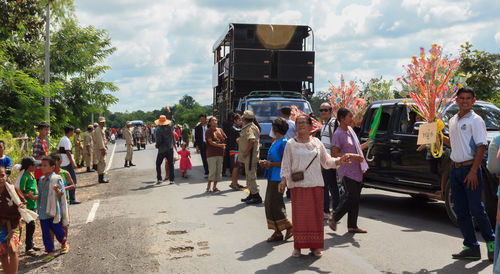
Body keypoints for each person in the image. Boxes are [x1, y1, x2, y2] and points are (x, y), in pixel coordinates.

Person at [280, 114, 350, 257]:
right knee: (300, 218)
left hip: (316, 185)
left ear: (310, 126)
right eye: (298, 123)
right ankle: (298, 247)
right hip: (298, 187)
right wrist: (283, 181)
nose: (301, 126)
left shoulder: (317, 143)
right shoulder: (290, 144)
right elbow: (286, 165)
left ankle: (315, 247)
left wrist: (340, 161)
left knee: (315, 218)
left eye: (303, 123)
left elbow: (327, 161)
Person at [442, 87, 495, 261]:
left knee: (476, 209)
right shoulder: (452, 120)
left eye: (468, 98)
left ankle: (492, 244)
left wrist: (473, 171)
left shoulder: (476, 120)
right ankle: (471, 247)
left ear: (473, 101)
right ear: (456, 100)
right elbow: (454, 143)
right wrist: (437, 137)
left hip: (469, 170)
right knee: (460, 210)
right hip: (455, 170)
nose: (464, 101)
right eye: (461, 98)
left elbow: (481, 146)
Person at [329, 108, 371, 234]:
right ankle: (334, 217)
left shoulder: (350, 131)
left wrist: (366, 144)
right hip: (346, 169)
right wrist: (352, 156)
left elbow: (356, 148)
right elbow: (334, 153)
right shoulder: (338, 134)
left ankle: (352, 226)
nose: (352, 119)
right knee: (351, 196)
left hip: (357, 169)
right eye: (350, 116)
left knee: (356, 198)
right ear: (342, 118)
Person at [259, 118, 293, 242]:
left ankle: (289, 225)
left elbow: (286, 162)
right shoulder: (276, 141)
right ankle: (277, 232)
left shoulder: (284, 142)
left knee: (275, 204)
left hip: (278, 177)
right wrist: (266, 163)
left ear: (275, 129)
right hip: (271, 176)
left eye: (272, 127)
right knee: (270, 204)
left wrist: (270, 164)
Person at [38, 156, 69, 262]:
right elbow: (40, 195)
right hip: (43, 210)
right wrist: (38, 208)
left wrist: (57, 190)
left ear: (52, 168)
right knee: (45, 231)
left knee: (57, 229)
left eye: (45, 165)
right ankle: (50, 251)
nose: (42, 167)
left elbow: (61, 194)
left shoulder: (56, 178)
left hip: (54, 210)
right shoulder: (41, 180)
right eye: (42, 165)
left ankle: (64, 243)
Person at [0, 166, 26, 274]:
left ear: (6, 176)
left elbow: (23, 203)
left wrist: (23, 207)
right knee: (2, 253)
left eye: (2, 175)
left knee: (12, 249)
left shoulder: (13, 190)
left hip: (13, 225)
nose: (0, 178)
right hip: (1, 227)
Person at [319, 102, 340, 219]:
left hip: (330, 160)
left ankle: (326, 211)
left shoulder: (333, 123)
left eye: (325, 110)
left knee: (325, 186)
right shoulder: (324, 125)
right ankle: (336, 210)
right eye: (321, 110)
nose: (323, 112)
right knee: (332, 186)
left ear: (331, 111)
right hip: (325, 160)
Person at [17, 157, 41, 254]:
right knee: (30, 225)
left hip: (33, 203)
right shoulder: (24, 177)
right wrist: (29, 196)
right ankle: (28, 247)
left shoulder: (31, 175)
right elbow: (20, 191)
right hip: (28, 205)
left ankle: (31, 244)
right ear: (29, 166)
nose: (35, 167)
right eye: (33, 165)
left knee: (32, 225)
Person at [239, 110, 263, 204]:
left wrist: (246, 152)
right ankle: (252, 194)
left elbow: (252, 140)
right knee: (248, 176)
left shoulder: (250, 128)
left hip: (250, 156)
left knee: (251, 176)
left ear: (244, 118)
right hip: (250, 156)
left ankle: (256, 196)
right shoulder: (250, 126)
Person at [57, 125, 80, 205]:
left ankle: (67, 198)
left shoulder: (62, 139)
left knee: (64, 180)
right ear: (70, 131)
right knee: (72, 180)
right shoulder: (66, 140)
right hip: (67, 162)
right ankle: (72, 198)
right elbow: (68, 152)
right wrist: (73, 163)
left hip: (63, 162)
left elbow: (57, 151)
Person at [205, 117, 226, 192]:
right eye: (213, 120)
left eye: (216, 120)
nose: (214, 121)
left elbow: (224, 139)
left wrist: (220, 136)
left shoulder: (220, 130)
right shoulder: (208, 131)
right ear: (210, 122)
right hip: (211, 154)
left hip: (220, 153)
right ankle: (208, 187)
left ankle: (214, 187)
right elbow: (210, 142)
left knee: (218, 171)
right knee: (212, 171)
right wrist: (220, 145)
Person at [155, 114, 175, 185]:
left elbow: (159, 141)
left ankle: (159, 179)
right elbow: (172, 121)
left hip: (162, 150)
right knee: (171, 164)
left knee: (158, 164)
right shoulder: (170, 127)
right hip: (170, 148)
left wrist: (157, 146)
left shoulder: (158, 130)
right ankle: (172, 179)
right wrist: (169, 112)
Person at [227, 114, 244, 190]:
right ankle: (234, 183)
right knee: (235, 167)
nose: (241, 121)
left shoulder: (238, 128)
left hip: (238, 150)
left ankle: (235, 182)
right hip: (234, 150)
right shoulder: (233, 128)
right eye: (239, 120)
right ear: (235, 121)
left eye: (241, 120)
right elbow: (239, 132)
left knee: (237, 167)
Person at [95, 117, 110, 184]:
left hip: (102, 148)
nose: (103, 123)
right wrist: (102, 149)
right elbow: (100, 140)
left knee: (102, 162)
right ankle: (101, 179)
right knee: (101, 162)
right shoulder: (98, 129)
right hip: (100, 149)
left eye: (104, 122)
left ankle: (101, 178)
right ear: (99, 122)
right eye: (101, 122)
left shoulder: (101, 129)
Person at [222, 112, 234, 177]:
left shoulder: (224, 122)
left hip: (226, 142)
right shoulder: (232, 124)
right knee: (231, 158)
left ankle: (223, 172)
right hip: (231, 142)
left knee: (225, 158)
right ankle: (231, 172)